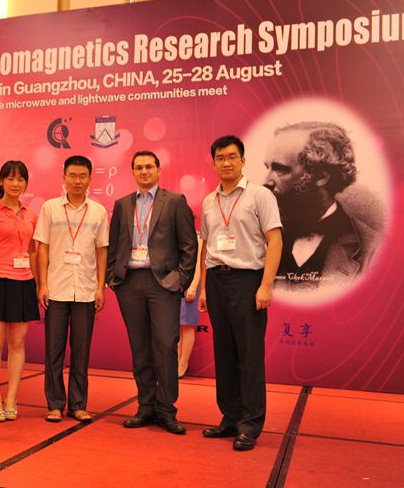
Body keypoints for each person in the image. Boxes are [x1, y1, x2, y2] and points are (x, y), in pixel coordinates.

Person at [198, 135, 282, 451]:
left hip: (248, 280)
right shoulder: (209, 201)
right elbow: (207, 245)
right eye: (220, 158)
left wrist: (266, 285)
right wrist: (203, 288)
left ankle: (250, 424)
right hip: (216, 279)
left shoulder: (260, 195)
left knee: (249, 356)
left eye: (232, 157)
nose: (226, 163)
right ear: (213, 163)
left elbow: (275, 240)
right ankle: (230, 417)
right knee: (225, 353)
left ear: (243, 160)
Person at [106, 150, 197, 435]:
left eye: (149, 167)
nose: (144, 171)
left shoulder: (175, 201)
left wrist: (179, 281)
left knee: (166, 346)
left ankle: (167, 410)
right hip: (130, 282)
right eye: (139, 167)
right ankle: (145, 407)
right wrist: (112, 278)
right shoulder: (122, 204)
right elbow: (113, 244)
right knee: (140, 348)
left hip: (163, 284)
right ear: (132, 171)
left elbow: (189, 245)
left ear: (158, 170)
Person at [34, 155, 109, 423]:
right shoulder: (50, 208)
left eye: (82, 176)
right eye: (73, 176)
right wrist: (42, 284)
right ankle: (55, 404)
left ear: (90, 179)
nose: (77, 181)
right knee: (53, 350)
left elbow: (102, 251)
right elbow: (42, 248)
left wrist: (100, 287)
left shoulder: (99, 211)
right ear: (64, 178)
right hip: (56, 288)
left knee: (81, 351)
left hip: (86, 290)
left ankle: (78, 404)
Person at [263, 122, 378, 289]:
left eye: (281, 170)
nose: (266, 182)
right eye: (267, 168)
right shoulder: (258, 238)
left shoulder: (375, 250)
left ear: (321, 176)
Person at [0, 160, 39, 422]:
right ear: (1, 181)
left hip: (24, 281)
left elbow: (33, 252)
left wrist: (39, 283)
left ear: (26, 183)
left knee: (17, 343)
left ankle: (12, 398)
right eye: (10, 178)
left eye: (20, 179)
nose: (15, 184)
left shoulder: (30, 214)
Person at [178, 237, 202, 379]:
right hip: (177, 283)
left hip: (190, 285)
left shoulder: (198, 238)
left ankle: (183, 363)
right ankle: (177, 362)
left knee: (187, 324)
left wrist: (193, 287)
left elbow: (199, 263)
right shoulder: (175, 235)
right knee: (176, 326)